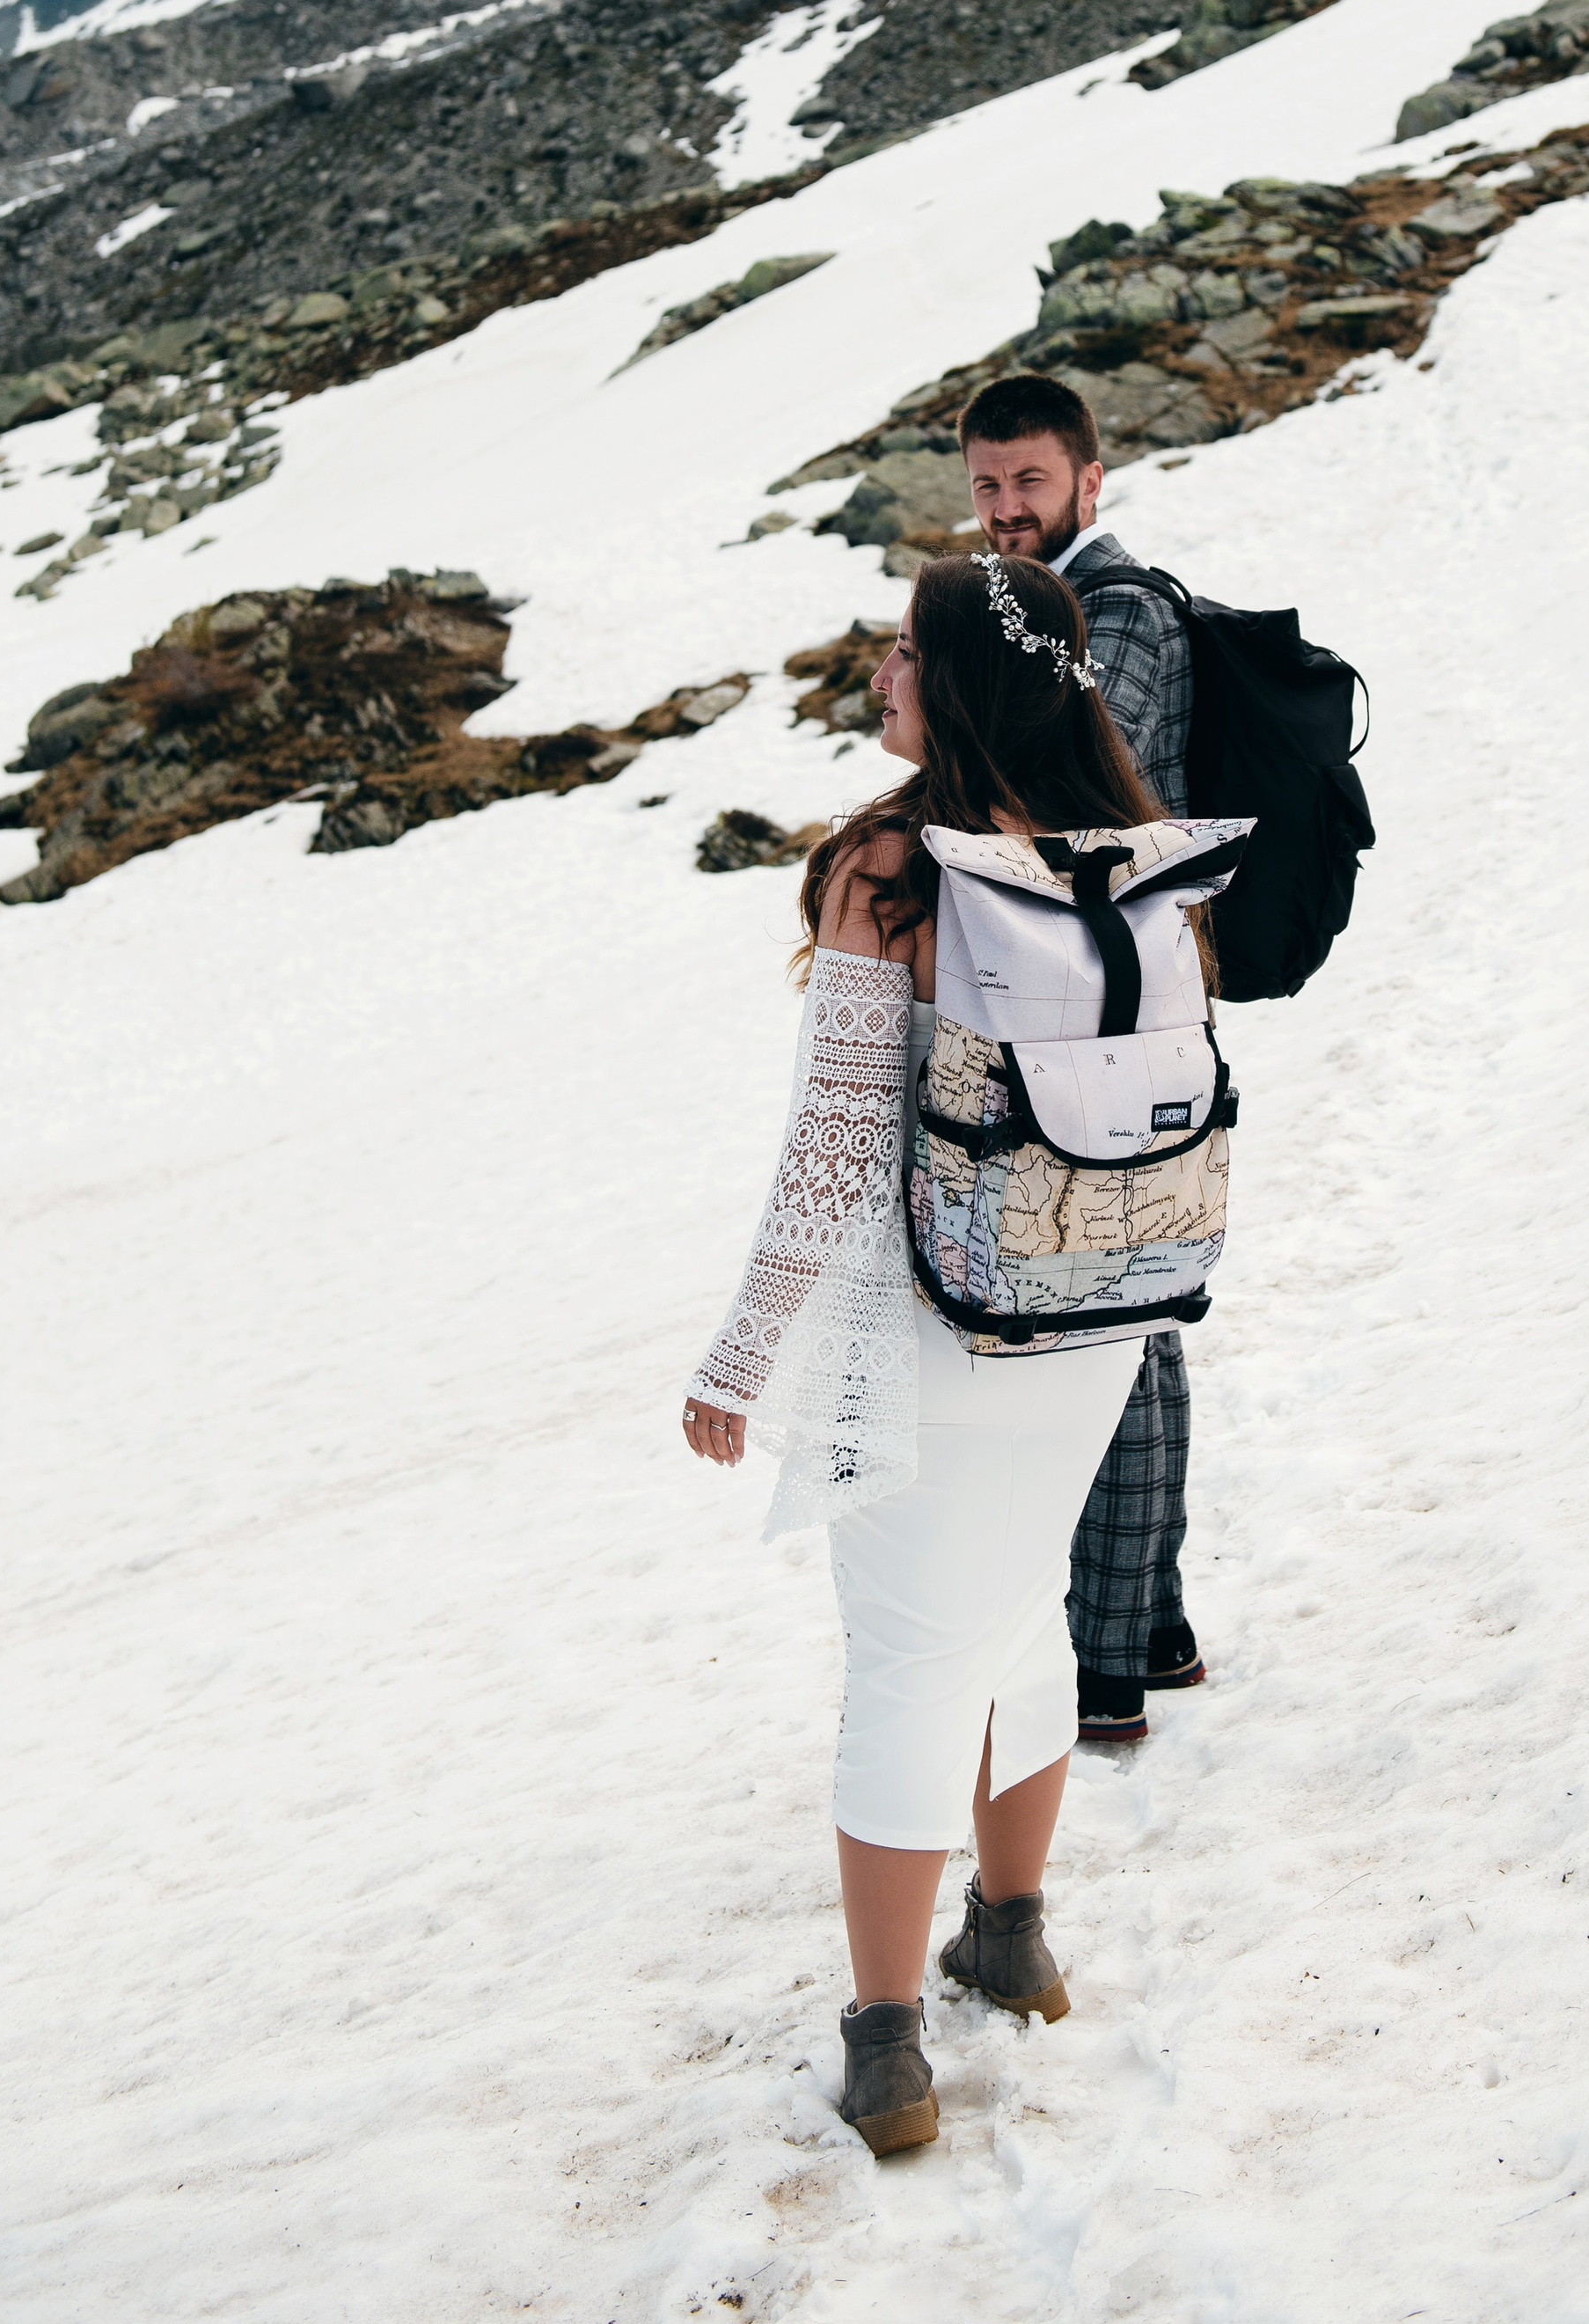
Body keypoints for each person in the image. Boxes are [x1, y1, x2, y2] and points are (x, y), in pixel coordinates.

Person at [681, 552, 1193, 2157]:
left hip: (939, 1320)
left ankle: (889, 2045)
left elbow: (835, 1149)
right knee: (1019, 1606)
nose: (882, 673)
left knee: (907, 1659)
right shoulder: (1134, 857)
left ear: (959, 682)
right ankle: (1014, 1931)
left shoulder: (896, 870)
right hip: (1101, 1304)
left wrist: (737, 1357)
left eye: (906, 652)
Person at [958, 372, 1202, 1751]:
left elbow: (1073, 797)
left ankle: (1107, 1660)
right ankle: (1147, 1629)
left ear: (1089, 481)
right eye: (988, 488)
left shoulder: (1115, 611)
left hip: (1116, 1018)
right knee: (1131, 1305)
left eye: (1029, 486)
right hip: (1102, 1007)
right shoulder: (1040, 606)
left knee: (1119, 1317)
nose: (1005, 515)